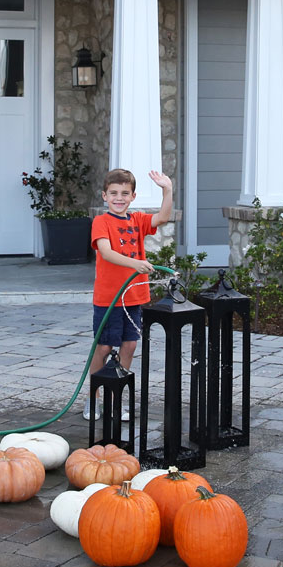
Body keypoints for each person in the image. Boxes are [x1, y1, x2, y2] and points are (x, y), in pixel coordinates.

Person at [85, 167, 174, 419]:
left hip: (133, 298)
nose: (119, 197)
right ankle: (94, 397)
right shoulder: (101, 222)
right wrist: (135, 264)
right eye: (113, 193)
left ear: (133, 196)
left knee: (130, 345)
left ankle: (116, 396)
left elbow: (163, 218)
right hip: (108, 298)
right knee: (103, 347)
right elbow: (106, 252)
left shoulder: (136, 220)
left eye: (125, 193)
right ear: (104, 195)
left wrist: (167, 190)